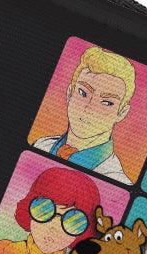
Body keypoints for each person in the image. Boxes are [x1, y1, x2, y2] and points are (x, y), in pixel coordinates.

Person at [0, 166, 101, 254]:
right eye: (44, 210)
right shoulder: (2, 251)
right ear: (29, 209)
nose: (53, 227)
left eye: (73, 221)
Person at [33, 45, 135, 183]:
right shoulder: (41, 145)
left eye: (107, 103)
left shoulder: (116, 179)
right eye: (83, 93)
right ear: (70, 93)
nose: (89, 108)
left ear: (121, 113)